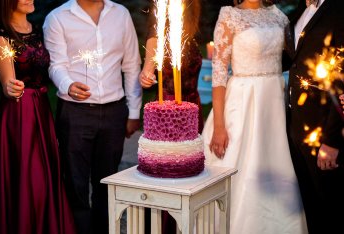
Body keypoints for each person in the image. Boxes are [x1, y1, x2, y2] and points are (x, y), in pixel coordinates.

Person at [202, 0, 308, 233]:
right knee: (241, 167)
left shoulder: (279, 16)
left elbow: (294, 57)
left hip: (273, 104)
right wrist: (219, 125)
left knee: (275, 162)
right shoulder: (229, 16)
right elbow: (219, 75)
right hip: (242, 102)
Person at [43, 0, 142, 233]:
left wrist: (134, 111)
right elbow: (56, 65)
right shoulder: (58, 18)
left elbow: (131, 65)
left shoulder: (121, 14)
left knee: (107, 183)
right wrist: (67, 85)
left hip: (114, 111)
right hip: (74, 113)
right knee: (75, 184)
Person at [0, 0, 76, 233]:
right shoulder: (0, 36)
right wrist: (11, 87)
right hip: (20, 115)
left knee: (46, 174)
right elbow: (7, 81)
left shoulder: (36, 30)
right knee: (30, 177)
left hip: (41, 110)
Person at [283, 0, 344, 233]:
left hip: (323, 131)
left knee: (331, 210)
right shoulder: (302, 10)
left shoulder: (339, 10)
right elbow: (295, 60)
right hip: (297, 127)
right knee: (311, 208)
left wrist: (332, 141)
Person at [140, 0, 203, 133]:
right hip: (169, 110)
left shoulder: (190, 34)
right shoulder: (158, 31)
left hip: (193, 106)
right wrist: (147, 76)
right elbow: (148, 70)